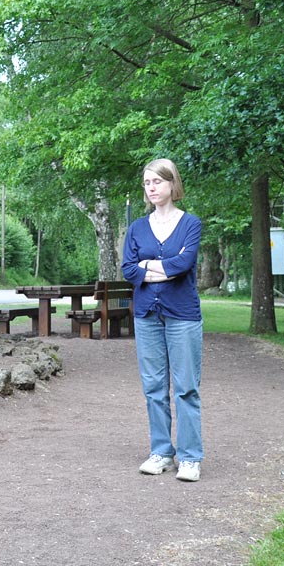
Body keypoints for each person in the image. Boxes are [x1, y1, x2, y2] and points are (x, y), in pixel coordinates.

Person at [121, 158, 205, 482]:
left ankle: (190, 458)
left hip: (182, 315)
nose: (151, 188)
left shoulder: (190, 224)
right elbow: (128, 269)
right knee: (154, 388)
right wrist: (162, 269)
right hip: (147, 315)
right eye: (147, 183)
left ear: (172, 184)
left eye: (157, 181)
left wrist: (147, 266)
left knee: (186, 388)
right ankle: (161, 453)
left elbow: (183, 264)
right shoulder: (137, 228)